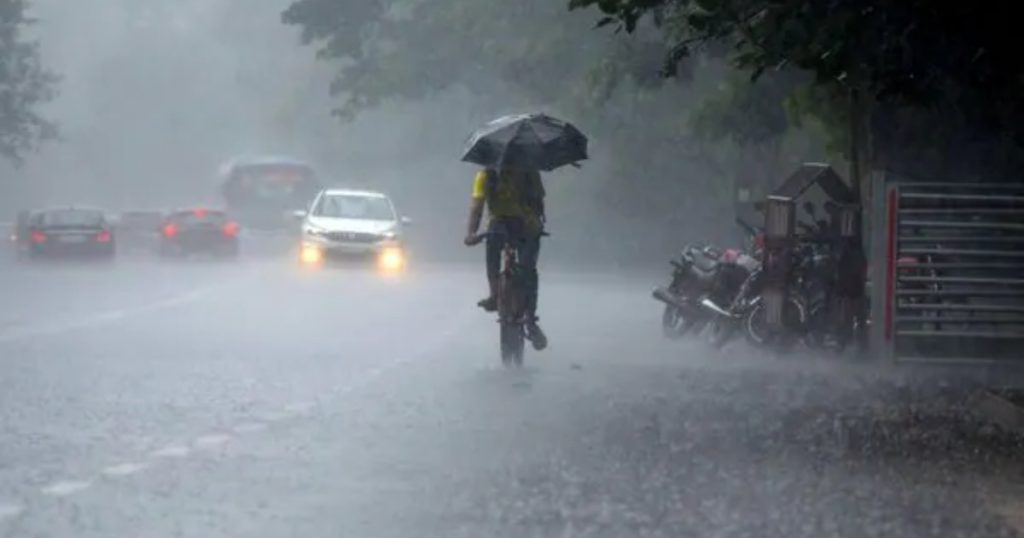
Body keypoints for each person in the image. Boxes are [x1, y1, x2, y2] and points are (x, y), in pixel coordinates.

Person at [464, 165, 547, 350]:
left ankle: (500, 298)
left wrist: (471, 233)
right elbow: (539, 203)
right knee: (528, 270)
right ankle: (528, 318)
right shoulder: (530, 171)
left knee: (521, 266)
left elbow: (477, 207)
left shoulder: (487, 175)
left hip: (510, 226)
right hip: (522, 226)